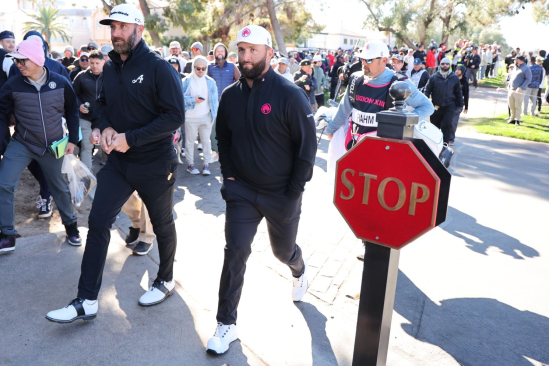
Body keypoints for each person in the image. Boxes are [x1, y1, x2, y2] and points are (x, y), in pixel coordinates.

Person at [46, 4, 185, 323]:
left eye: (122, 27)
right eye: (113, 28)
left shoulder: (158, 68)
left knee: (162, 224)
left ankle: (165, 280)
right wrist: (102, 127)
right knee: (98, 220)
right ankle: (87, 300)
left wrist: (130, 137)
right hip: (119, 162)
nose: (116, 33)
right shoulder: (109, 68)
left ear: (140, 29)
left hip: (155, 162)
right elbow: (103, 104)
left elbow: (174, 116)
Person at [208, 25, 316, 355]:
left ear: (269, 53)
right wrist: (228, 179)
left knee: (282, 253)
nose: (245, 56)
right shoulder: (230, 96)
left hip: (281, 195)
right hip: (241, 194)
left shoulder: (289, 94)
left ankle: (299, 270)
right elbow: (223, 140)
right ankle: (226, 324)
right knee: (235, 251)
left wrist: (294, 190)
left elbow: (306, 147)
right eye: (241, 50)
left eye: (253, 50)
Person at [0, 37, 82, 253]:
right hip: (22, 143)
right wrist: (3, 140)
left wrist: (73, 140)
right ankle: (7, 234)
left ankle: (72, 227)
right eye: (16, 61)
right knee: (3, 183)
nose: (18, 65)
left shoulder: (60, 82)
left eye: (22, 60)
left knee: (60, 187)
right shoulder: (12, 84)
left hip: (53, 145)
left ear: (36, 59)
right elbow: (1, 113)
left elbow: (73, 110)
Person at [325, 40, 434, 149]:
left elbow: (427, 107)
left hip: (383, 151)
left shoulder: (400, 83)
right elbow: (344, 109)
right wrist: (330, 129)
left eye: (369, 60)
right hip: (354, 146)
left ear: (384, 60)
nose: (364, 63)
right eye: (362, 59)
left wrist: (403, 125)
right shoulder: (356, 79)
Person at [182, 56, 218, 175]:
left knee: (206, 141)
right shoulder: (186, 81)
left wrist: (213, 116)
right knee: (190, 142)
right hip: (190, 117)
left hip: (206, 116)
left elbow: (214, 101)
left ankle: (206, 164)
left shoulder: (210, 82)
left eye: (203, 68)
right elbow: (179, 98)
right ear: (194, 68)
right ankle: (190, 164)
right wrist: (193, 99)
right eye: (198, 68)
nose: (201, 71)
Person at [207, 42, 241, 163]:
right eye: (217, 51)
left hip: (229, 103)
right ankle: (215, 152)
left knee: (230, 128)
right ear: (214, 53)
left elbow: (240, 81)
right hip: (213, 103)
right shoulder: (209, 67)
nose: (220, 53)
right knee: (214, 130)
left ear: (225, 53)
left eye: (222, 51)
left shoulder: (232, 66)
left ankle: (229, 152)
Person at [72, 50, 105, 170]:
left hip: (105, 118)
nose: (94, 66)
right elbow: (72, 94)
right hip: (86, 118)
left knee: (107, 147)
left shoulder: (110, 77)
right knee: (86, 145)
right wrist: (79, 105)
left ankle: (109, 176)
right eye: (92, 63)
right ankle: (87, 177)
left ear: (103, 62)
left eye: (97, 63)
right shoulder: (81, 76)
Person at [424, 57, 463, 143]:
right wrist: (424, 101)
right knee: (434, 125)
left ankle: (445, 143)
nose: (445, 65)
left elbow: (458, 92)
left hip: (450, 105)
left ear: (449, 65)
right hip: (436, 105)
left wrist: (461, 105)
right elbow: (427, 90)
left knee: (447, 124)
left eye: (447, 64)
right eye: (443, 64)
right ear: (440, 65)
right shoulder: (434, 77)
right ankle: (434, 142)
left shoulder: (454, 77)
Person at [507, 55, 532, 125]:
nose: (514, 61)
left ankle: (517, 120)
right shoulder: (516, 67)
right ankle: (512, 118)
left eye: (515, 59)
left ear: (519, 60)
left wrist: (521, 87)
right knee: (511, 105)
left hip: (519, 90)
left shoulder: (526, 68)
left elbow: (528, 79)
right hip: (511, 89)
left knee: (517, 105)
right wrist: (509, 85)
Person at [449, 65, 469, 146]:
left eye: (459, 70)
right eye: (456, 69)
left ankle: (451, 139)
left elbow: (466, 95)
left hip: (458, 105)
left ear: (462, 72)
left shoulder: (464, 82)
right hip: (449, 103)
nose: (457, 71)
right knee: (447, 122)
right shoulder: (451, 78)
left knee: (453, 122)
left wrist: (466, 107)